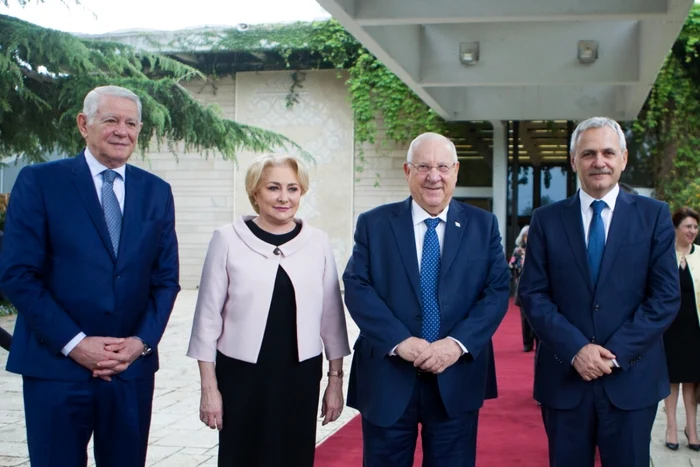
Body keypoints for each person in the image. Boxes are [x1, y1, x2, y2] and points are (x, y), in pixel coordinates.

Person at [0, 85, 180, 467]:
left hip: (129, 371)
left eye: (131, 123)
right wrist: (76, 344)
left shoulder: (156, 192)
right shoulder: (40, 182)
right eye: (111, 120)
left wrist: (141, 343)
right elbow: (18, 275)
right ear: (84, 124)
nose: (122, 131)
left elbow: (165, 279)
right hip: (57, 368)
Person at [518, 117, 679, 467]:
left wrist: (613, 353)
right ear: (574, 160)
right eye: (588, 153)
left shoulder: (654, 216)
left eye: (608, 152)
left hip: (631, 379)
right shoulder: (546, 219)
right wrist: (577, 349)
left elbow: (665, 297)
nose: (599, 161)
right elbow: (533, 294)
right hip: (564, 378)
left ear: (623, 158)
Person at [343, 132, 510, 467]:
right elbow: (357, 285)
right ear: (407, 171)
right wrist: (400, 341)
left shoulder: (483, 225)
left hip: (456, 376)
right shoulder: (374, 224)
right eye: (423, 166)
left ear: (456, 171)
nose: (434, 176)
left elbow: (496, 291)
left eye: (443, 167)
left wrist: (456, 344)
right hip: (389, 374)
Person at [187, 154, 351, 467]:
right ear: (255, 193)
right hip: (241, 375)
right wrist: (209, 389)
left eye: (292, 188)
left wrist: (334, 381)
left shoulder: (317, 242)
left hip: (300, 375)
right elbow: (206, 320)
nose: (283, 197)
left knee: (294, 457)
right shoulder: (226, 239)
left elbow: (332, 319)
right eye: (273, 188)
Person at [663, 207, 700, 451]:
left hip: (695, 329)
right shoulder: (664, 255)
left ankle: (692, 430)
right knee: (671, 380)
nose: (692, 231)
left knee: (692, 381)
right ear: (676, 228)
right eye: (688, 226)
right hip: (669, 328)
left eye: (695, 227)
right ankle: (671, 428)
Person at [510, 225, 535, 352]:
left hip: (537, 286)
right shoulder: (518, 251)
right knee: (525, 317)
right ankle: (527, 343)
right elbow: (512, 268)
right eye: (526, 236)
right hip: (522, 286)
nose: (528, 238)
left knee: (539, 314)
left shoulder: (540, 248)